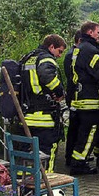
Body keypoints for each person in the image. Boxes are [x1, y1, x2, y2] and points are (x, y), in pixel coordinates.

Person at [70, 21, 99, 175]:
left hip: (80, 97)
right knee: (89, 132)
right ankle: (79, 164)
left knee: (83, 132)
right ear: (89, 32)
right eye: (98, 32)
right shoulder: (91, 50)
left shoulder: (79, 49)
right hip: (90, 98)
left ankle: (78, 160)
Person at [22, 34, 67, 173]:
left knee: (26, 153)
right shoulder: (46, 58)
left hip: (27, 116)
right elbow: (47, 76)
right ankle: (46, 186)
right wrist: (60, 93)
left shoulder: (28, 58)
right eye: (59, 51)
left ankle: (24, 186)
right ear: (51, 46)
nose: (59, 56)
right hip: (44, 117)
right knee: (48, 151)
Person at [63, 30, 82, 166]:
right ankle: (70, 156)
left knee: (75, 126)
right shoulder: (72, 55)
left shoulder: (70, 54)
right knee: (74, 127)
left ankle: (72, 154)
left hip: (73, 94)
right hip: (74, 94)